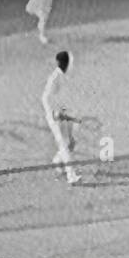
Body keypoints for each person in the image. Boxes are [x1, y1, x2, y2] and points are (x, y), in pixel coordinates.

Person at [42, 50, 81, 186]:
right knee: (64, 145)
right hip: (56, 117)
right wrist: (54, 113)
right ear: (65, 63)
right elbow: (46, 98)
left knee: (71, 143)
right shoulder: (55, 78)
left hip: (63, 114)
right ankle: (71, 175)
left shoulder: (64, 76)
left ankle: (57, 161)